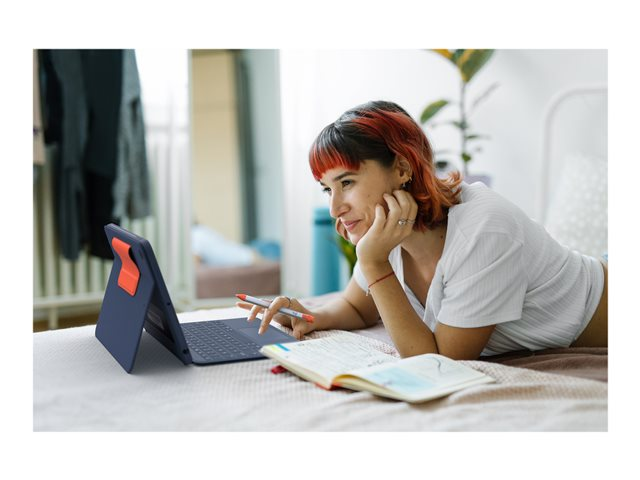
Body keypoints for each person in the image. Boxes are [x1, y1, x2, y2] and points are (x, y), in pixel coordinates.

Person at [237, 100, 608, 360]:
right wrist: (308, 315)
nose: (335, 208)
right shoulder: (389, 231)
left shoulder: (484, 230)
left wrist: (374, 262)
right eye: (327, 189)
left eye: (347, 182)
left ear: (401, 169)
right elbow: (357, 307)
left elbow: (438, 360)